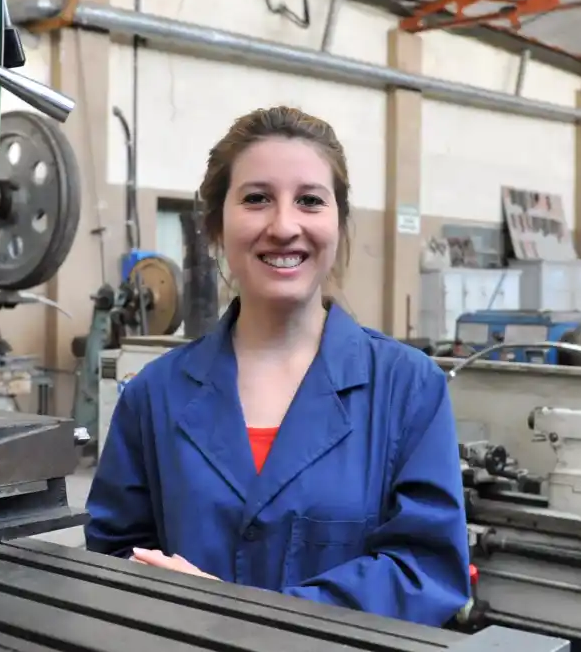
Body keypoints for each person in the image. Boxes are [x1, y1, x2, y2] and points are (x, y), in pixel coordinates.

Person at [85, 106, 471, 626]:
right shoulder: (154, 395)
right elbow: (114, 555)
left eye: (310, 200)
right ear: (217, 226)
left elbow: (425, 572)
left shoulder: (408, 387)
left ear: (338, 224)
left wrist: (250, 614)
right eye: (257, 198)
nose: (284, 225)